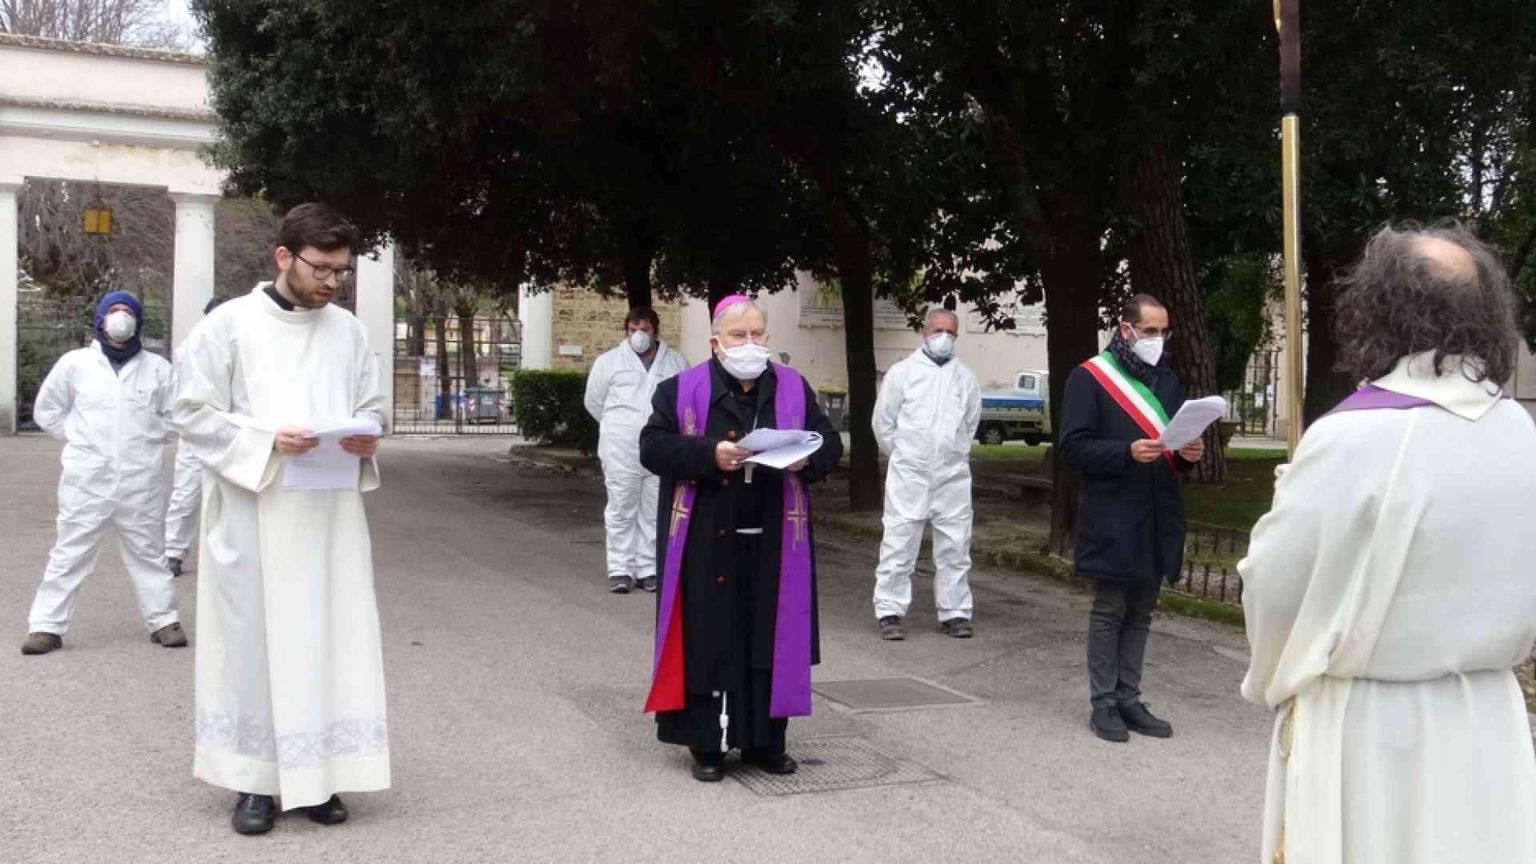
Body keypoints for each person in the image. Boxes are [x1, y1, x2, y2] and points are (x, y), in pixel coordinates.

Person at [1239, 225, 1536, 864]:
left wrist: (1274, 675)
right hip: (1486, 717)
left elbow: (1275, 586)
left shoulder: (1354, 438)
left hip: (1371, 732)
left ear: (1380, 309)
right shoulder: (1520, 431)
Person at [173, 203, 389, 835]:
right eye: (321, 268)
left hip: (327, 516)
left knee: (328, 639)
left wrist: (366, 436)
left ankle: (319, 777)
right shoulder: (228, 327)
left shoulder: (347, 330)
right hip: (255, 512)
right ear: (283, 257)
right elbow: (190, 412)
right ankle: (256, 781)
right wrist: (266, 439)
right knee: (253, 648)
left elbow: (369, 402)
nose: (330, 282)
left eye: (341, 272)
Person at [639, 294, 843, 782]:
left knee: (768, 641)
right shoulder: (679, 390)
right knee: (710, 639)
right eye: (738, 336)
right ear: (715, 342)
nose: (750, 344)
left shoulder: (793, 388)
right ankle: (706, 745)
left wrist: (806, 460)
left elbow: (829, 442)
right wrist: (711, 454)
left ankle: (765, 743)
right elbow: (653, 446)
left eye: (757, 335)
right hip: (704, 541)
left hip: (774, 543)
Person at [1059, 293, 1204, 742]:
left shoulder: (1166, 381)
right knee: (1110, 609)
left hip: (1157, 510)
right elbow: (1073, 447)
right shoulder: (1090, 378)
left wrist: (1187, 456)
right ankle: (1103, 703)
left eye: (1164, 332)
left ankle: (1129, 697)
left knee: (1141, 611)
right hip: (1113, 512)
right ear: (1126, 330)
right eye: (1150, 331)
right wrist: (1125, 452)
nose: (1158, 340)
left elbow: (1173, 446)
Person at [21, 291, 185, 655]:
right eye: (114, 310)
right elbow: (47, 411)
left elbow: (176, 418)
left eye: (128, 311)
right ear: (100, 319)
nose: (121, 317)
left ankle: (163, 620)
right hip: (86, 479)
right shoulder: (75, 364)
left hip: (139, 479)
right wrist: (80, 440)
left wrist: (147, 438)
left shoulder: (158, 369)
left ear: (139, 321)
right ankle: (46, 626)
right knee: (70, 551)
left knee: (148, 552)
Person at [871, 308, 981, 641]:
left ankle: (956, 612)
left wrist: (953, 455)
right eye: (938, 329)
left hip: (952, 474)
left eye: (951, 331)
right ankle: (889, 611)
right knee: (899, 541)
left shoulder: (966, 378)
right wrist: (906, 456)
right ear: (924, 331)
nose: (944, 337)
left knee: (956, 545)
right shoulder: (902, 373)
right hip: (910, 473)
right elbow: (883, 423)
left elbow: (970, 425)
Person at [583, 307, 690, 594]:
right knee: (621, 507)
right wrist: (619, 427)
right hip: (620, 448)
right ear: (626, 331)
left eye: (645, 329)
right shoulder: (609, 362)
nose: (639, 335)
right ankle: (620, 568)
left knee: (655, 509)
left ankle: (649, 568)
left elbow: (685, 403)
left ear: (656, 330)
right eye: (633, 329)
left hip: (660, 447)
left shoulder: (677, 362)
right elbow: (594, 402)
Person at [163, 295, 233, 578]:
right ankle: (173, 552)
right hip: (196, 432)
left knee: (234, 497)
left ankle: (231, 554)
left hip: (232, 432)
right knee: (186, 493)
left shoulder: (241, 347)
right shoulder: (189, 349)